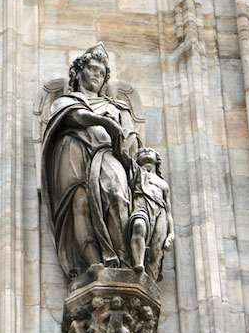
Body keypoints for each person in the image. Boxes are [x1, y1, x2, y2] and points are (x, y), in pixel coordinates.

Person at [41, 43, 141, 279]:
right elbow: (76, 116)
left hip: (108, 155)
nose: (97, 75)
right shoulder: (65, 102)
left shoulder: (116, 107)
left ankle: (124, 260)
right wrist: (103, 122)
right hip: (74, 154)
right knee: (80, 204)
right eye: (92, 69)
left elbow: (131, 143)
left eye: (102, 72)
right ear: (78, 73)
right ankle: (94, 262)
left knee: (117, 197)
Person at [129, 147, 174, 281]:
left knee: (156, 251)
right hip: (141, 205)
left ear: (157, 159)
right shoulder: (135, 173)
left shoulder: (163, 184)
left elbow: (168, 211)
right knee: (138, 226)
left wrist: (171, 234)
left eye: (150, 151)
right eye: (143, 152)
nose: (147, 152)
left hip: (159, 212)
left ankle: (151, 280)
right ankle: (139, 264)